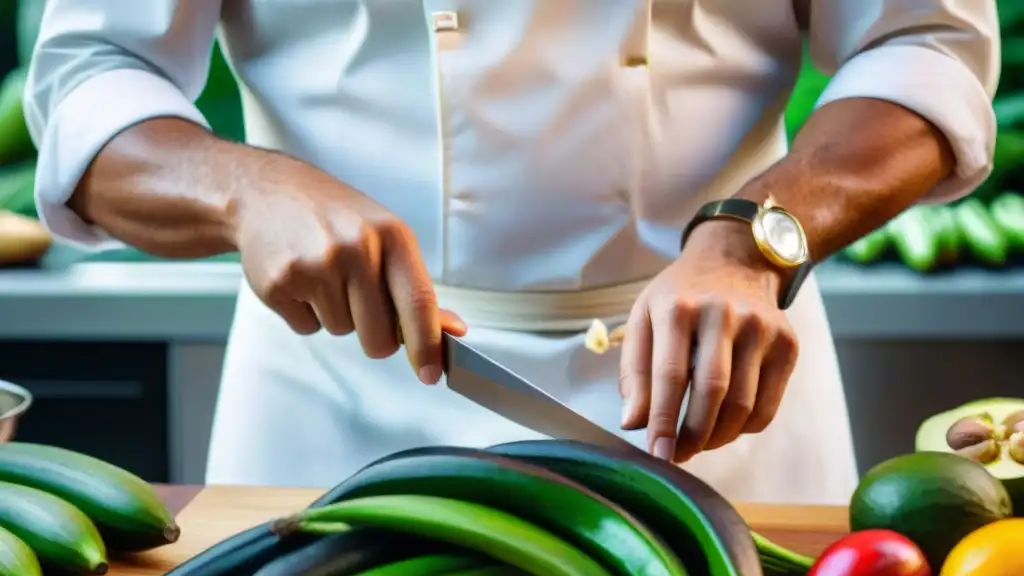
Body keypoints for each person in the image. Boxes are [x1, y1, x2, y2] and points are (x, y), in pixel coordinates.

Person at [24, 1, 998, 504]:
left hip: (723, 395)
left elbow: (924, 42)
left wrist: (754, 239)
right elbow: (93, 79)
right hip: (334, 398)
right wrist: (248, 190)